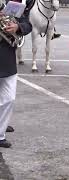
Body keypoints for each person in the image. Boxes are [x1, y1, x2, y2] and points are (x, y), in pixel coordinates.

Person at [0, 0, 32, 148]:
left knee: (9, 99)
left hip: (7, 58)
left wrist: (17, 27)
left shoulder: (13, 4)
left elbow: (28, 24)